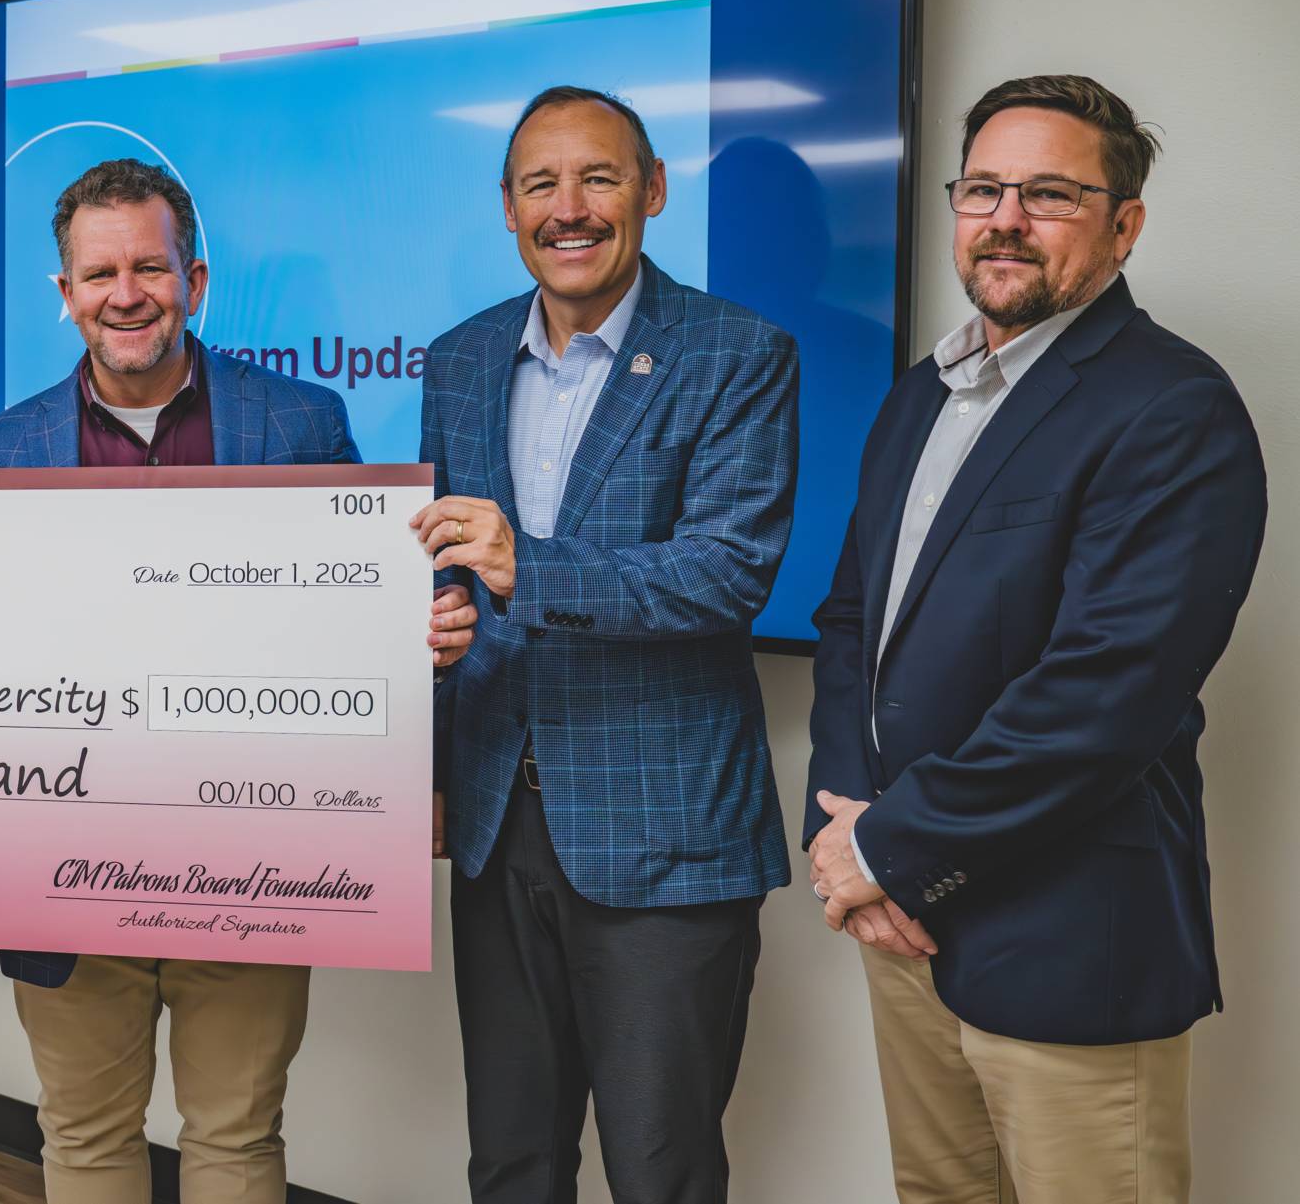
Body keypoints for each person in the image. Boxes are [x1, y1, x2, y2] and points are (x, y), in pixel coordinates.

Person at [0, 157, 474, 1203]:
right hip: (60, 866)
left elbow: (352, 621)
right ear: (63, 295)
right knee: (85, 1135)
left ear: (195, 276)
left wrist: (407, 647)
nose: (125, 294)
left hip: (251, 853)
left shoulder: (300, 422)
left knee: (234, 1136)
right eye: (98, 275)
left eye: (149, 266)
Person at [805, 74, 1266, 1203]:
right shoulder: (919, 394)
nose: (1004, 217)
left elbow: (1102, 694)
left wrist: (885, 850)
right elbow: (851, 624)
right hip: (901, 927)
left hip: (1067, 940)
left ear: (1123, 227)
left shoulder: (1171, 408)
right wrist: (849, 838)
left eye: (1051, 193)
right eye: (983, 188)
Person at [414, 86, 799, 1204]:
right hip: (493, 826)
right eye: (539, 183)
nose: (567, 208)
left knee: (660, 1170)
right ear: (506, 207)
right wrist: (433, 755)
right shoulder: (460, 358)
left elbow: (727, 573)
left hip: (662, 835)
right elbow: (449, 576)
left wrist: (523, 567)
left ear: (652, 192)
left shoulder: (735, 352)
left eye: (598, 178)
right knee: (512, 1163)